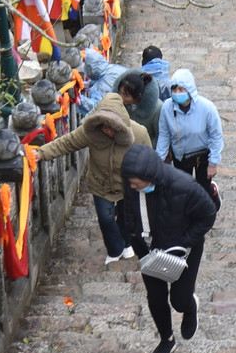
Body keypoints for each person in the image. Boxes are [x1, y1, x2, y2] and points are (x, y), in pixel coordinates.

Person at [118, 144, 218, 353]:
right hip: (150, 250)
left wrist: (183, 242)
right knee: (155, 298)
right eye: (130, 182)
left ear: (150, 177)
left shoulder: (184, 186)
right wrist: (134, 235)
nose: (132, 186)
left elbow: (208, 215)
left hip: (183, 249)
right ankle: (166, 339)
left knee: (178, 300)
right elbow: (128, 209)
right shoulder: (132, 184)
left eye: (136, 182)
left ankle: (190, 306)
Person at [36, 93, 150, 264]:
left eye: (113, 127)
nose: (109, 131)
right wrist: (40, 153)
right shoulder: (89, 132)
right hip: (100, 184)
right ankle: (115, 249)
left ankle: (127, 243)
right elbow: (66, 143)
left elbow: (150, 159)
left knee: (127, 218)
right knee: (105, 218)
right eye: (105, 127)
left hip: (128, 185)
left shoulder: (139, 133)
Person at [156, 68, 223, 201]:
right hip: (180, 156)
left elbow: (216, 136)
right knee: (182, 190)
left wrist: (213, 163)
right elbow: (164, 135)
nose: (177, 93)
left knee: (203, 189)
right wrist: (158, 160)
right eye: (174, 90)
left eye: (181, 90)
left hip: (202, 155)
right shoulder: (167, 108)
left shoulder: (207, 108)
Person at [114, 70, 162, 146]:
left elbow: (160, 137)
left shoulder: (157, 109)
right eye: (120, 93)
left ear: (138, 95)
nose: (121, 97)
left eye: (126, 95)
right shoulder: (119, 103)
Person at [78, 48, 128, 117]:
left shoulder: (102, 86)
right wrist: (91, 83)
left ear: (90, 68)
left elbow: (95, 107)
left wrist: (79, 99)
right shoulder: (111, 68)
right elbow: (102, 76)